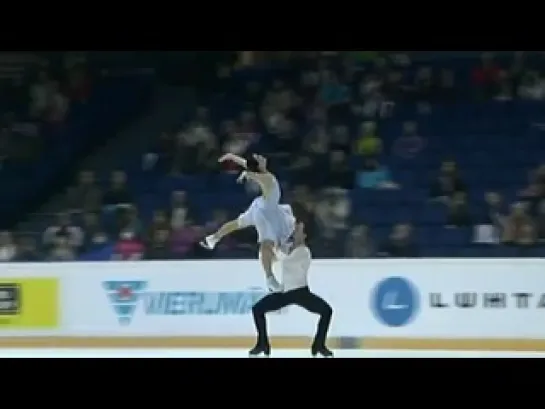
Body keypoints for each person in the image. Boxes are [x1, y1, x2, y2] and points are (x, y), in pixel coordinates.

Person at [200, 153, 295, 292]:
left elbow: (251, 170)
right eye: (259, 158)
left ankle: (213, 238)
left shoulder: (265, 175)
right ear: (259, 165)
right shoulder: (266, 176)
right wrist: (240, 167)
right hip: (264, 213)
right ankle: (270, 279)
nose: (262, 157)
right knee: (265, 243)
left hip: (265, 208)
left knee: (238, 224)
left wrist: (236, 161)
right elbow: (252, 170)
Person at [249, 222, 334, 358]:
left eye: (298, 229)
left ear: (305, 235)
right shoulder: (288, 248)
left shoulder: (304, 252)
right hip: (285, 293)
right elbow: (273, 257)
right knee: (257, 309)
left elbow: (285, 260)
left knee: (327, 311)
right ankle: (262, 343)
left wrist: (274, 246)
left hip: (300, 292)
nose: (294, 230)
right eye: (295, 228)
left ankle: (319, 345)